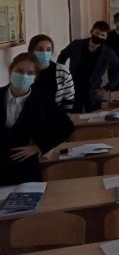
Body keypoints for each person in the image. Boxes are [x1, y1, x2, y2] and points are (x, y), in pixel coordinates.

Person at [0, 53, 74, 185]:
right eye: (19, 71)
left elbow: (66, 126)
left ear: (35, 77)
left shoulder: (42, 100)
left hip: (26, 166)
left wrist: (39, 146)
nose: (24, 76)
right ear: (11, 70)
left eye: (29, 73)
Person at [57, 21, 119, 113]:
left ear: (106, 37)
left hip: (93, 91)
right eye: (97, 33)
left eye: (102, 35)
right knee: (74, 115)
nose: (99, 37)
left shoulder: (108, 53)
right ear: (91, 31)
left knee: (94, 116)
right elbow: (62, 56)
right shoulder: (76, 44)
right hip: (73, 87)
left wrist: (107, 88)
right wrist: (61, 74)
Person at [28, 34, 75, 112]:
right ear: (31, 51)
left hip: (55, 115)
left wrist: (65, 116)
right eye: (40, 49)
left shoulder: (61, 71)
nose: (44, 52)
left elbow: (69, 98)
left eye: (48, 49)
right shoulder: (26, 70)